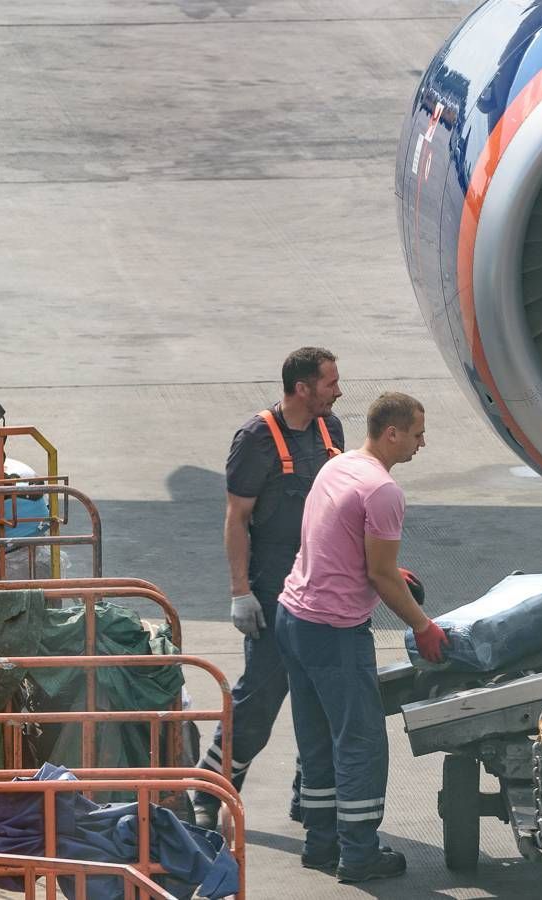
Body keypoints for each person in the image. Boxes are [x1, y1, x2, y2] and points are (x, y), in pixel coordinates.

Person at [275, 392, 449, 882]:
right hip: (334, 631)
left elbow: (329, 538)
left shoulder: (339, 466)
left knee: (316, 737)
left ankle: (320, 844)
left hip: (293, 616)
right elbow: (381, 575)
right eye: (417, 433)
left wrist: (385, 568)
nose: (422, 443)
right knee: (361, 742)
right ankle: (359, 855)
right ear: (392, 433)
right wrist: (423, 625)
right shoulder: (384, 491)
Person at [195, 347, 343, 833]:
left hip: (323, 584)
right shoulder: (256, 438)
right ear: (302, 388)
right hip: (275, 587)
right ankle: (210, 786)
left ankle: (312, 799)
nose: (338, 392)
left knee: (323, 696)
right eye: (329, 384)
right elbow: (237, 518)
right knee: (260, 696)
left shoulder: (331, 430)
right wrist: (241, 591)